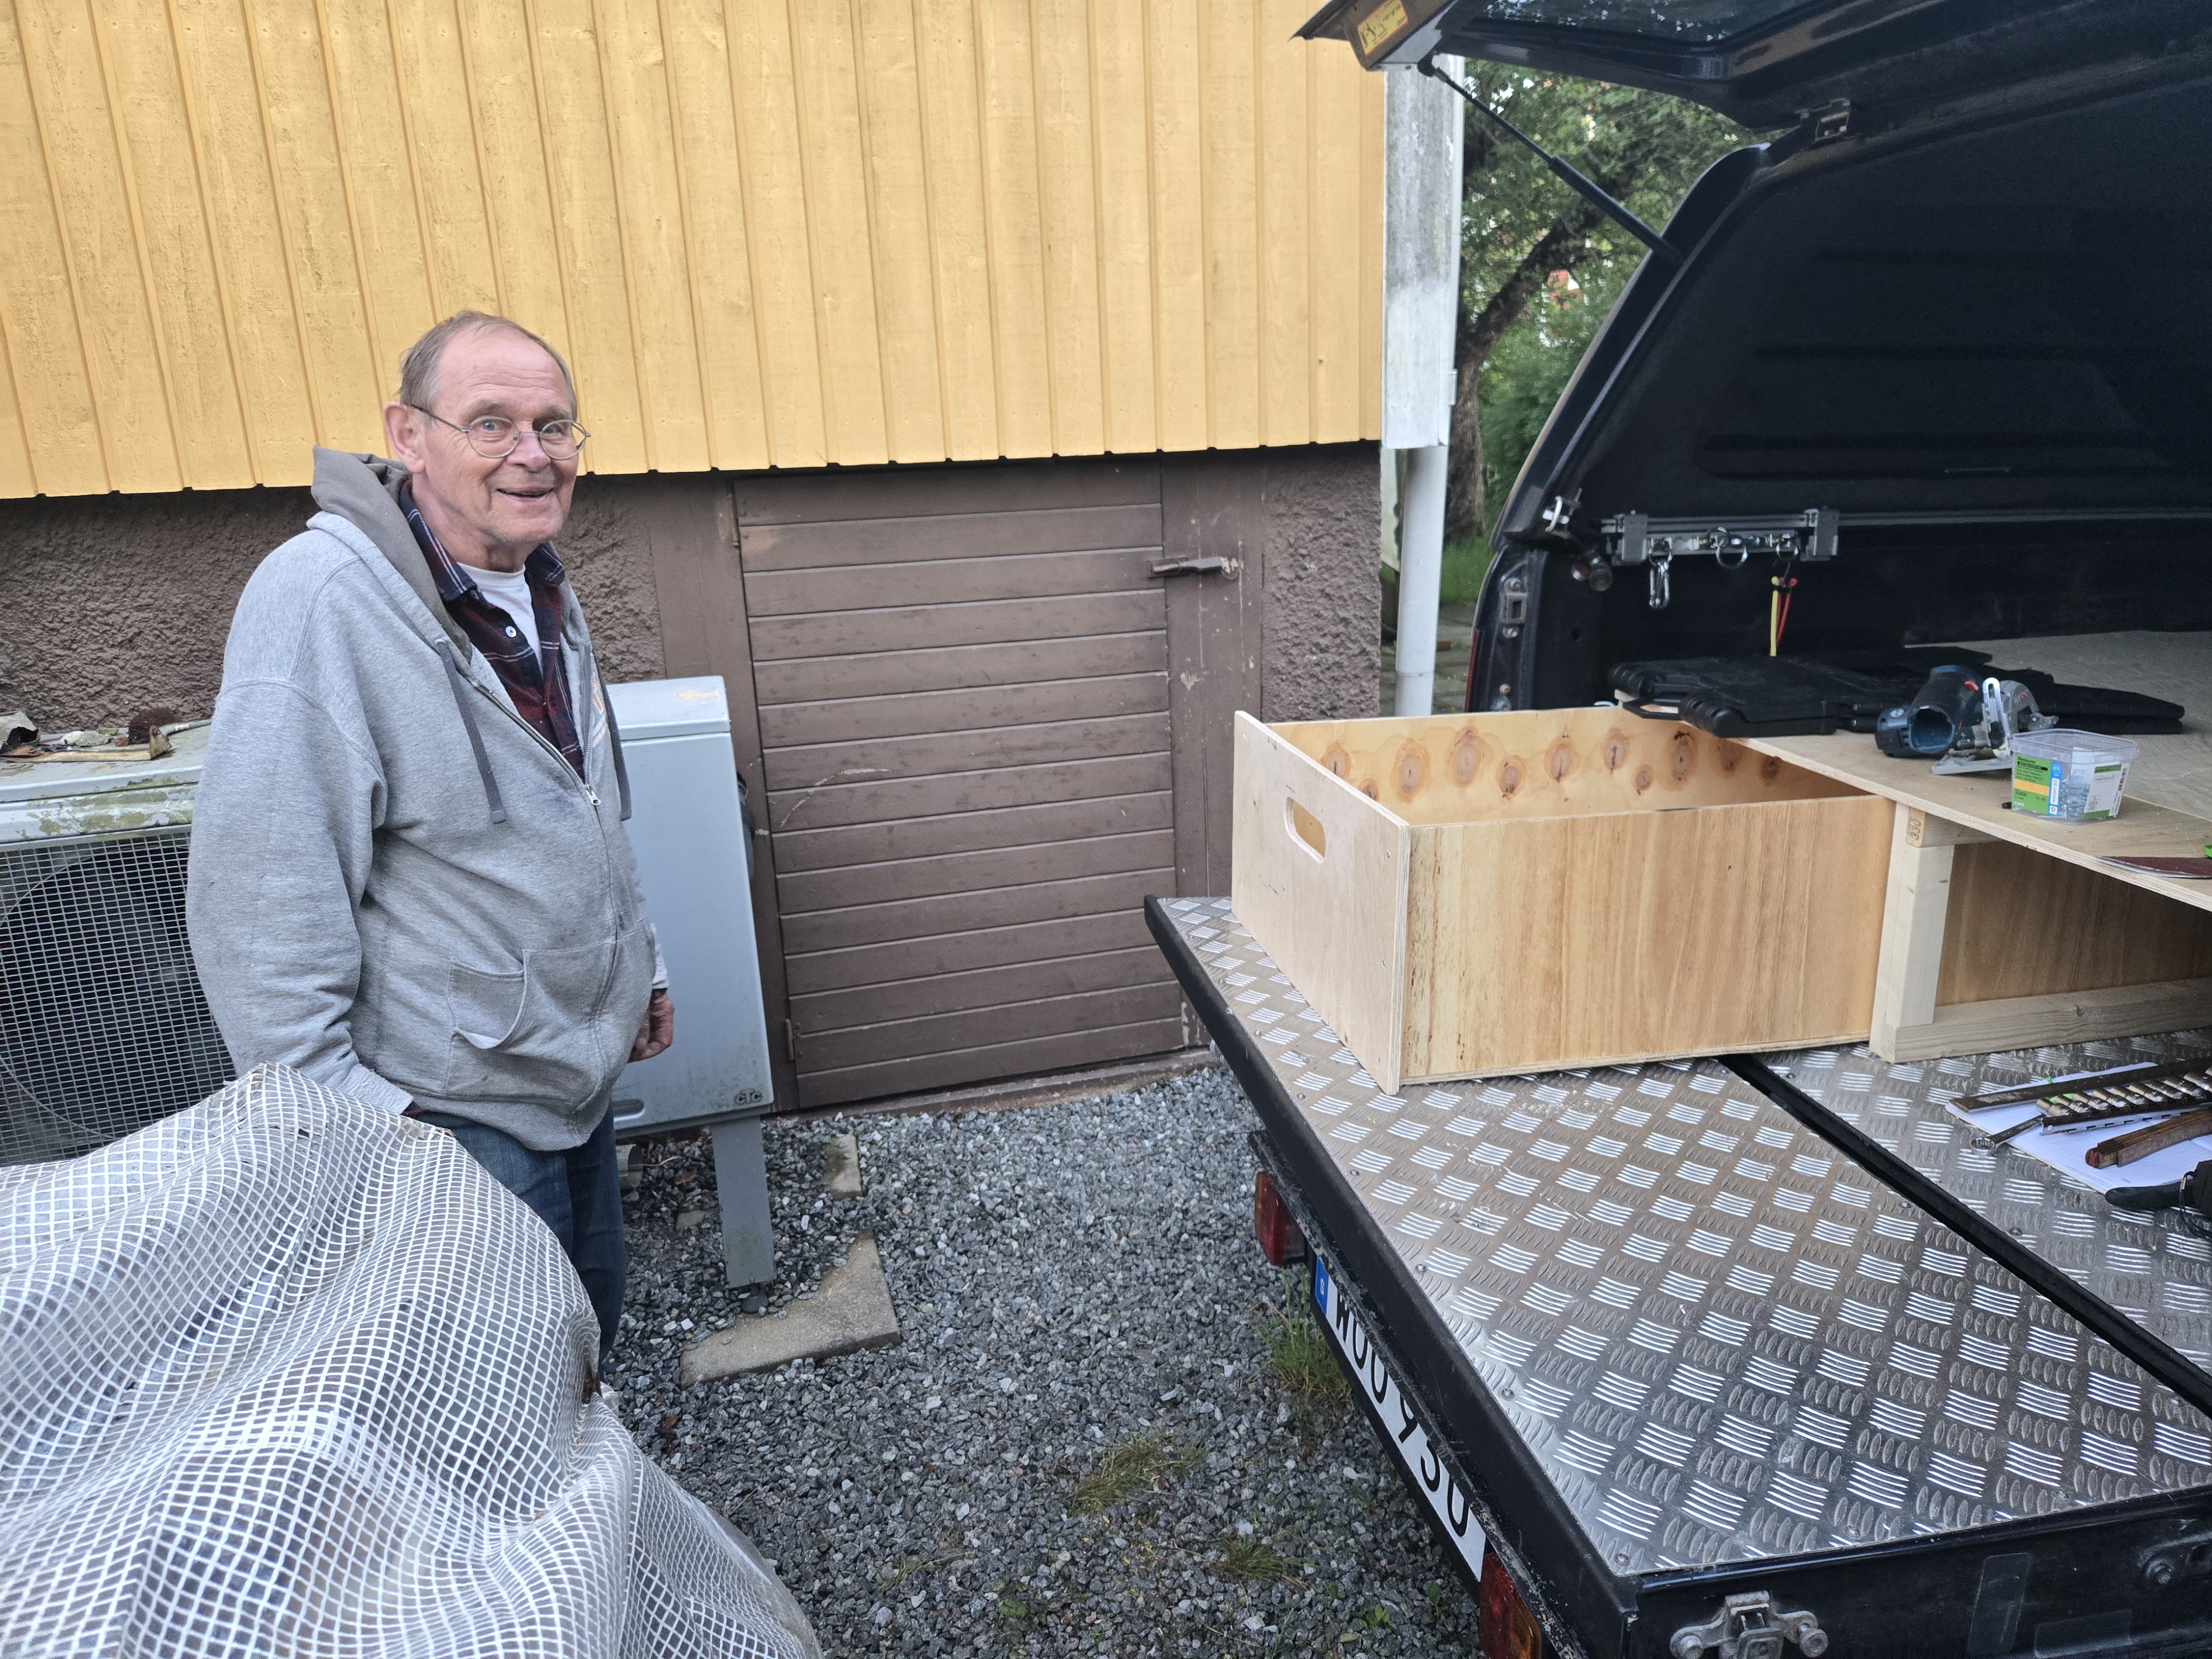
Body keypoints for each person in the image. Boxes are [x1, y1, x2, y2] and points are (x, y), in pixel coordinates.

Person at [186, 311, 672, 1378]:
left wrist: (646, 968)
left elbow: (585, 803)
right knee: (496, 1383)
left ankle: (587, 1534)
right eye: (491, 423)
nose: (533, 454)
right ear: (408, 435)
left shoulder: (536, 581)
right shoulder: (321, 603)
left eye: (555, 426)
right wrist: (364, 1135)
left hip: (564, 1074)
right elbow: (260, 907)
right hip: (445, 1115)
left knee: (585, 1342)